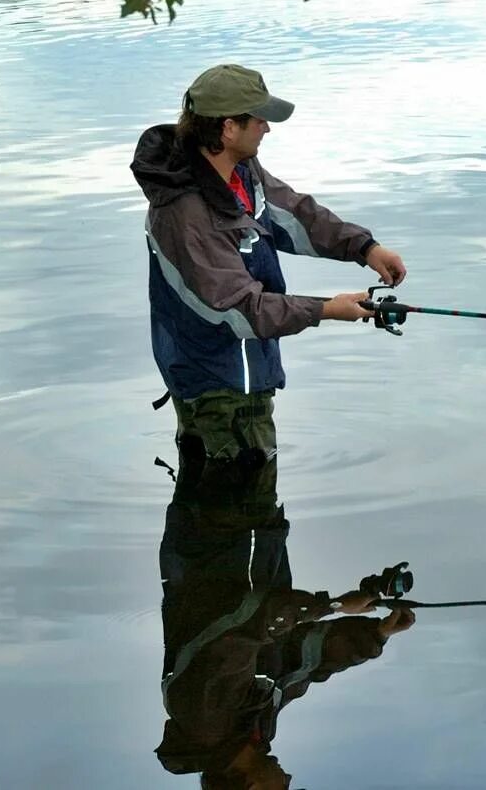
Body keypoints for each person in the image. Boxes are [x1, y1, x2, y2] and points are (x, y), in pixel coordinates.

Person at [132, 64, 407, 463]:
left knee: (210, 513)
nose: (268, 127)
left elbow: (295, 214)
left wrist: (364, 247)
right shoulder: (186, 214)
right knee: (248, 514)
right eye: (259, 119)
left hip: (237, 376)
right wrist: (329, 309)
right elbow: (242, 310)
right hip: (221, 389)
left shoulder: (239, 171)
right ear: (228, 128)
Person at [155, 444, 415, 788]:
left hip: (217, 531)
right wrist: (375, 636)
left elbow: (243, 625)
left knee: (234, 411)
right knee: (231, 418)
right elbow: (301, 662)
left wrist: (334, 606)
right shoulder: (253, 731)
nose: (289, 779)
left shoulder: (204, 717)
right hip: (250, 530)